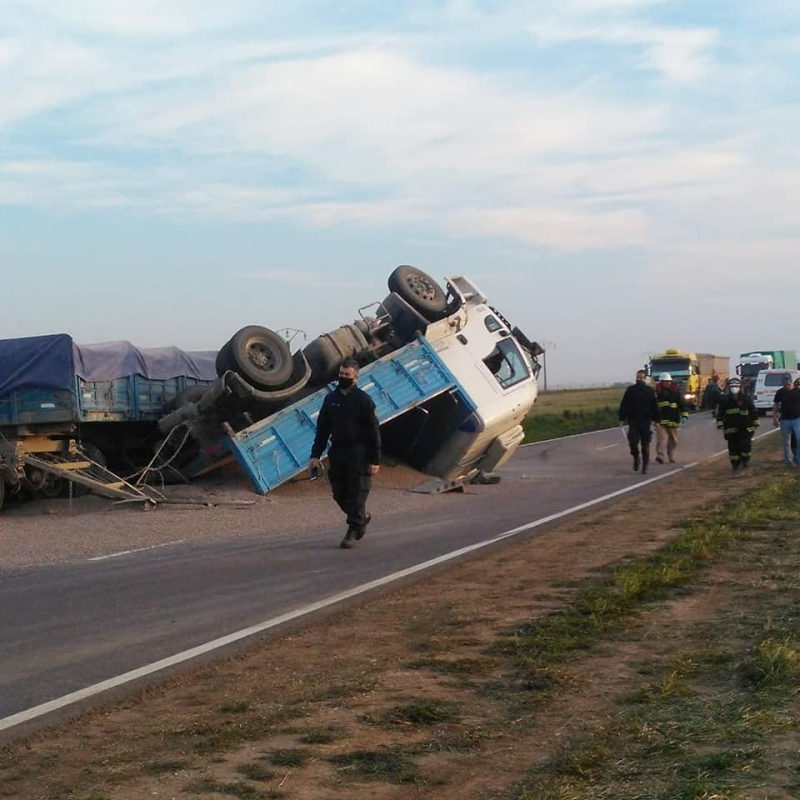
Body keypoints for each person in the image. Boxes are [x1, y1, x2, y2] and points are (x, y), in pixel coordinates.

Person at [309, 358, 381, 549]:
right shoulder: (331, 399)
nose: (343, 377)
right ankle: (361, 517)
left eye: (347, 375)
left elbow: (373, 432)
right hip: (338, 452)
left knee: (357, 493)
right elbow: (323, 429)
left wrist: (375, 459)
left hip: (359, 453)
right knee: (339, 493)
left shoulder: (364, 400)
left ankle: (352, 530)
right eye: (341, 374)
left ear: (356, 378)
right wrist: (315, 455)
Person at [618, 369, 661, 474]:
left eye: (641, 377)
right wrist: (621, 418)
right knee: (633, 442)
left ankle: (645, 465)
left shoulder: (649, 390)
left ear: (645, 378)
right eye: (637, 377)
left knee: (645, 445)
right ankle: (636, 457)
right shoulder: (630, 390)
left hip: (645, 421)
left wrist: (657, 421)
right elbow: (624, 404)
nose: (639, 379)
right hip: (633, 420)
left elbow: (655, 406)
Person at [716, 377, 758, 471]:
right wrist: (720, 423)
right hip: (731, 428)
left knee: (745, 445)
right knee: (733, 448)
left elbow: (753, 411)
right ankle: (735, 464)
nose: (734, 388)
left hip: (745, 427)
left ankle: (745, 460)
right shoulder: (725, 400)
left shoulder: (745, 399)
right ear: (729, 388)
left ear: (740, 387)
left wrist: (755, 422)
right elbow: (720, 413)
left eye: (736, 386)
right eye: (732, 386)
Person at [654, 372, 688, 464]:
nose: (668, 383)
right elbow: (653, 406)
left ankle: (670, 455)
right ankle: (660, 456)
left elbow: (682, 405)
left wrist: (684, 415)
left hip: (673, 420)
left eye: (669, 381)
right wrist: (653, 418)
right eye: (665, 381)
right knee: (661, 439)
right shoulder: (657, 393)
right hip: (661, 421)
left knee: (674, 441)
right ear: (661, 382)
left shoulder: (676, 392)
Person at [772, 373, 800, 467]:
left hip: (797, 419)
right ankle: (788, 461)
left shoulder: (798, 391)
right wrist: (774, 418)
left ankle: (798, 459)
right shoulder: (780, 392)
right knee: (786, 441)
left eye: (788, 384)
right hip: (785, 420)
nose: (787, 386)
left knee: (798, 439)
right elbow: (776, 405)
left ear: (791, 382)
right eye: (785, 384)